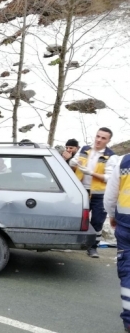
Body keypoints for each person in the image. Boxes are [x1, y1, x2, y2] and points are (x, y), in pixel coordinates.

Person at [70, 127, 119, 258]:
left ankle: (93, 247)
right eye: (98, 136)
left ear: (108, 140)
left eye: (103, 138)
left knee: (97, 222)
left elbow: (109, 178)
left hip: (99, 194)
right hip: (81, 190)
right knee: (77, 218)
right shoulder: (84, 149)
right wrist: (73, 162)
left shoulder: (111, 156)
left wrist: (91, 173)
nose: (99, 140)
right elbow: (73, 163)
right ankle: (73, 243)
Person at [104, 152, 130, 332]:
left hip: (126, 224)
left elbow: (111, 195)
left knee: (128, 270)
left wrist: (112, 215)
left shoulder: (124, 161)